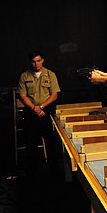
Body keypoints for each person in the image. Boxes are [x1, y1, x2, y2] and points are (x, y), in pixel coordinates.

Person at [17, 50, 62, 179]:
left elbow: (54, 95)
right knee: (30, 144)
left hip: (46, 112)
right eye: (33, 61)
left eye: (38, 61)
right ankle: (32, 174)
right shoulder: (24, 76)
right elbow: (22, 95)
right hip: (31, 113)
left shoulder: (50, 75)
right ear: (30, 62)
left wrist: (41, 107)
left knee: (51, 144)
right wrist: (34, 108)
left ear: (42, 60)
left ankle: (55, 173)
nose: (36, 64)